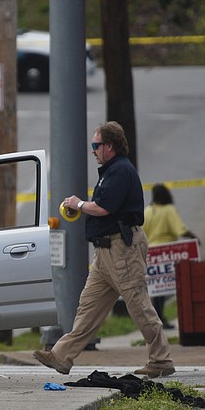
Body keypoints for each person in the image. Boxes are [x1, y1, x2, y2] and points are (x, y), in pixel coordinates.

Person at [34, 121, 176, 378]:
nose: (93, 150)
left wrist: (79, 203)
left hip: (122, 249)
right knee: (89, 306)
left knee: (138, 304)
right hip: (105, 252)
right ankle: (61, 356)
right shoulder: (111, 171)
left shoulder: (120, 171)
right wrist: (82, 205)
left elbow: (103, 208)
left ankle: (161, 359)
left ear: (109, 146)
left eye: (95, 145)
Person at [143, 183, 199, 329]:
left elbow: (141, 232)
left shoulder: (147, 211)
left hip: (152, 254)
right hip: (168, 252)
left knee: (157, 289)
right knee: (178, 285)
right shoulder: (169, 210)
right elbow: (180, 229)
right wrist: (195, 239)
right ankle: (176, 318)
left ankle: (158, 318)